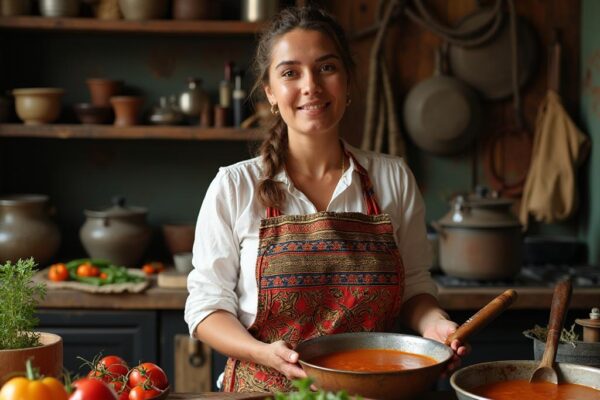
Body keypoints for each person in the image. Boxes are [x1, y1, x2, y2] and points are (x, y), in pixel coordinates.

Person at [185, 5, 468, 393]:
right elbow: (206, 309)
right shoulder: (234, 186)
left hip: (376, 391)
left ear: (349, 81)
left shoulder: (393, 177)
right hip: (267, 389)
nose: (311, 86)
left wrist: (435, 324)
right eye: (290, 73)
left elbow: (415, 288)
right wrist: (263, 352)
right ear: (269, 91)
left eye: (327, 68)